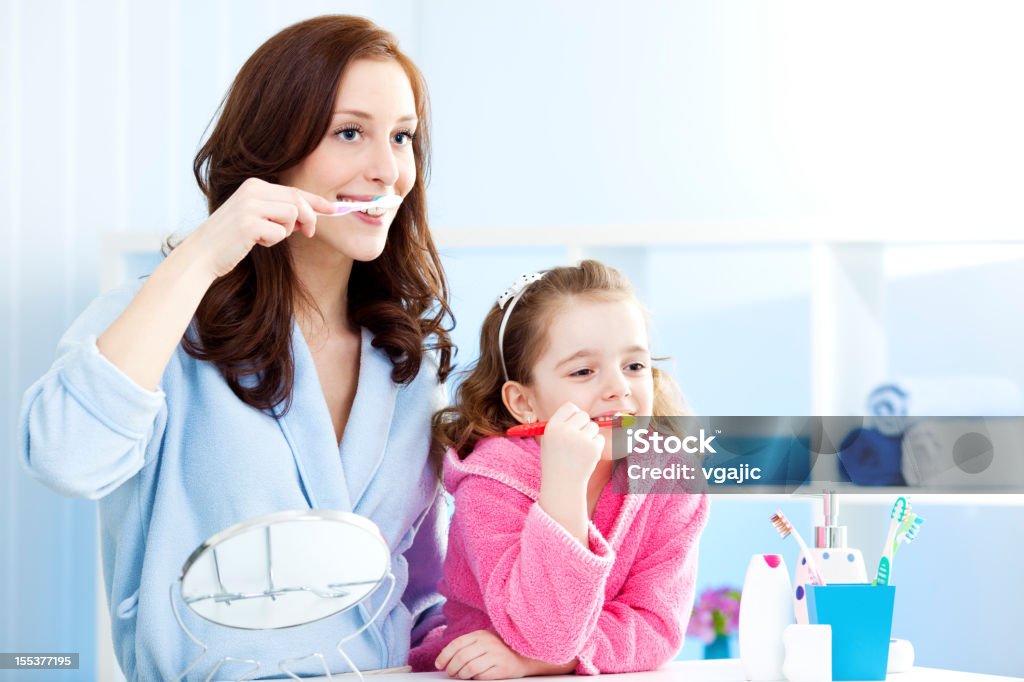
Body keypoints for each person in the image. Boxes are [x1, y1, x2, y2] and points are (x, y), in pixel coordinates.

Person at [18, 15, 453, 682]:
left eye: (402, 137)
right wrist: (200, 260)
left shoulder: (408, 367)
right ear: (275, 147)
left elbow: (426, 592)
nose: (389, 169)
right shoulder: (161, 324)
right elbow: (66, 457)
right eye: (350, 133)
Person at [409, 260, 709, 678]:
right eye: (584, 371)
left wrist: (550, 661)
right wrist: (564, 486)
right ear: (523, 402)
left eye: (634, 366)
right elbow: (545, 634)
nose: (619, 388)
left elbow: (657, 629)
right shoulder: (492, 482)